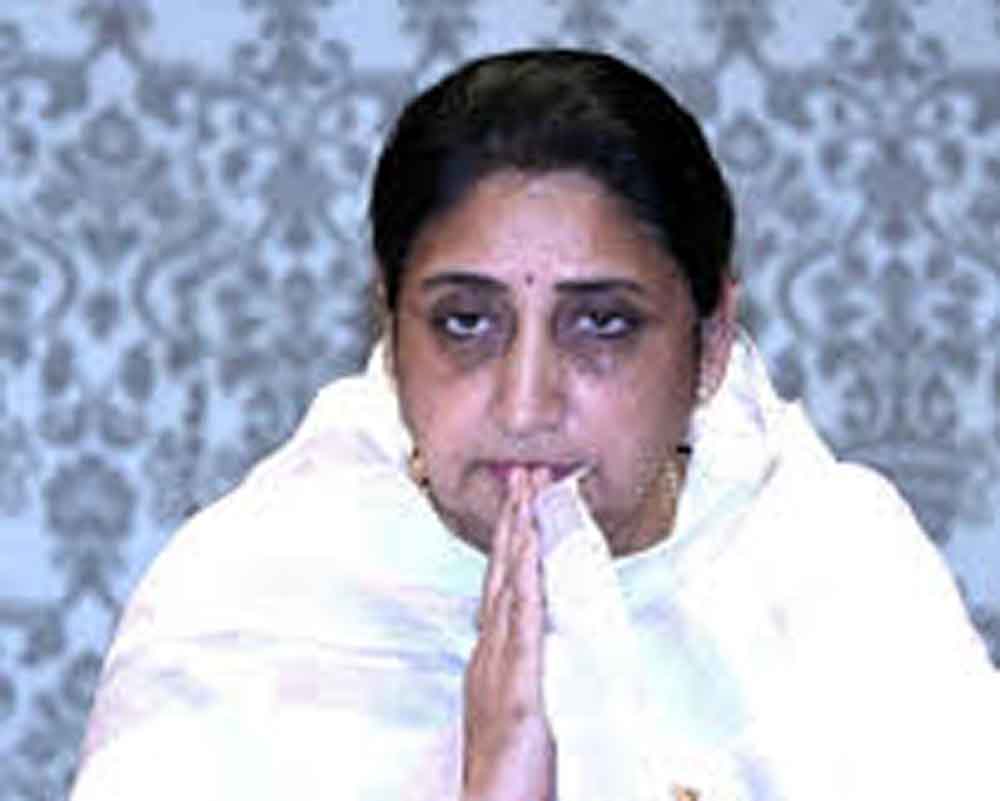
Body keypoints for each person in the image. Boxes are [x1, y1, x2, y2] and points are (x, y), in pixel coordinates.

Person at [70, 49, 997, 801]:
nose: (524, 405)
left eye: (603, 325)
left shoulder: (835, 575)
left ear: (711, 342)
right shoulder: (251, 601)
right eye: (465, 323)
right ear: (390, 327)